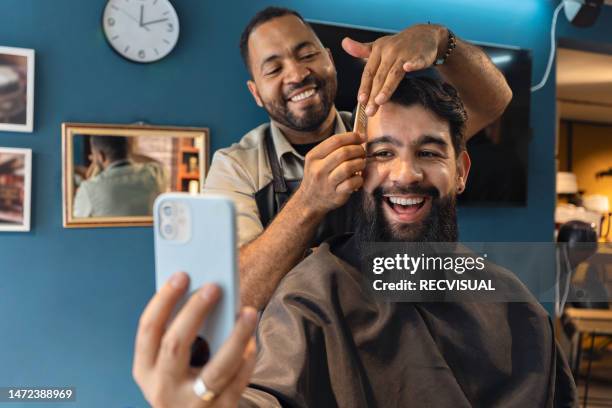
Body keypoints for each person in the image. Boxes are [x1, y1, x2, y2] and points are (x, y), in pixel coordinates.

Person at [133, 77, 576, 407]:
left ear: (460, 171)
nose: (405, 174)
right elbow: (269, 395)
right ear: (356, 171)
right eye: (382, 153)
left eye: (428, 152)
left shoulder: (518, 303)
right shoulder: (312, 297)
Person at [203, 7, 513, 309]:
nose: (297, 74)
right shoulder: (236, 168)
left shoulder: (382, 129)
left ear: (329, 59)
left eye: (308, 55)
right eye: (273, 68)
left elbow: (495, 101)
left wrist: (442, 42)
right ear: (256, 92)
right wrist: (308, 202)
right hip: (289, 349)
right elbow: (237, 294)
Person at [73, 136, 165, 217]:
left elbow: (74, 226)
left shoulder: (88, 188)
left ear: (101, 156)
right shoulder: (154, 174)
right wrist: (128, 154)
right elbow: (158, 164)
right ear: (127, 150)